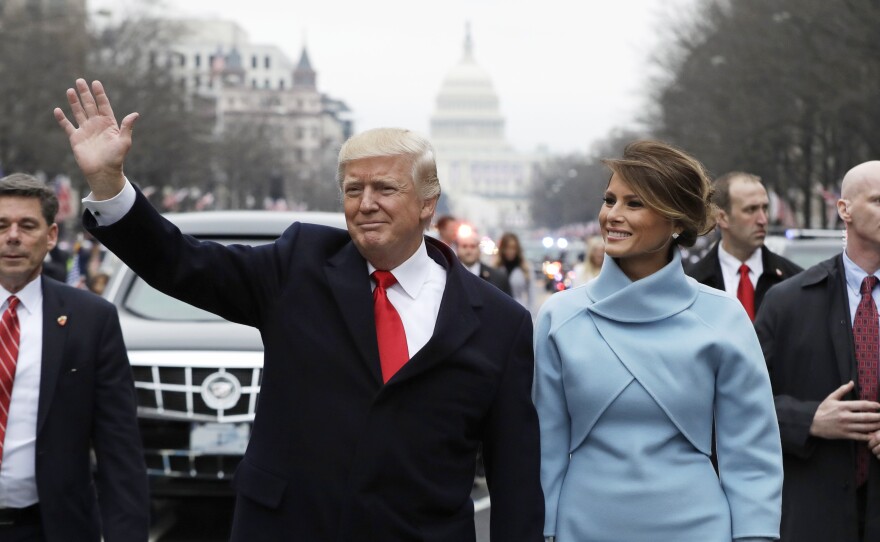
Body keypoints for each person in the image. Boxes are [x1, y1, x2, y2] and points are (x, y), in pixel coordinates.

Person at [55, 78, 543, 541]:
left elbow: (515, 478)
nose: (366, 203)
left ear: (427, 203)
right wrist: (110, 185)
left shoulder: (500, 323)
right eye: (354, 190)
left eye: (385, 189)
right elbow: (182, 262)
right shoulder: (298, 266)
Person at [533, 140, 783, 542]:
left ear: (678, 222)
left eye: (634, 204)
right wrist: (543, 533)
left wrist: (754, 537)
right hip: (581, 529)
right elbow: (545, 447)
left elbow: (752, 453)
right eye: (609, 199)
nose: (611, 215)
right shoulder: (559, 317)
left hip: (699, 530)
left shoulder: (724, 317)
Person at [0, 173, 148, 541]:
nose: (13, 235)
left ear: (51, 236)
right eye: (1, 225)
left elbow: (119, 448)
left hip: (50, 527)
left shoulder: (91, 320)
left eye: (27, 225)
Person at [755, 160, 880, 541]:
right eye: (879, 200)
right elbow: (738, 403)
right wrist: (807, 420)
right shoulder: (787, 301)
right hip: (814, 512)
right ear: (845, 210)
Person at [686, 172, 802, 319]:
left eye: (765, 208)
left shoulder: (794, 280)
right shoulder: (693, 285)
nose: (762, 219)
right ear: (722, 218)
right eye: (751, 210)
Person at [456, 229, 511, 295]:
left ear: (479, 249)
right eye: (464, 246)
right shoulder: (449, 276)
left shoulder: (498, 277)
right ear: (457, 249)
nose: (469, 251)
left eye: (473, 246)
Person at [495, 232, 534, 314]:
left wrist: (530, 315)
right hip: (499, 312)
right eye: (507, 248)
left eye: (513, 248)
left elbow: (532, 296)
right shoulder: (495, 268)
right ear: (502, 249)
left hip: (519, 311)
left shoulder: (525, 268)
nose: (510, 251)